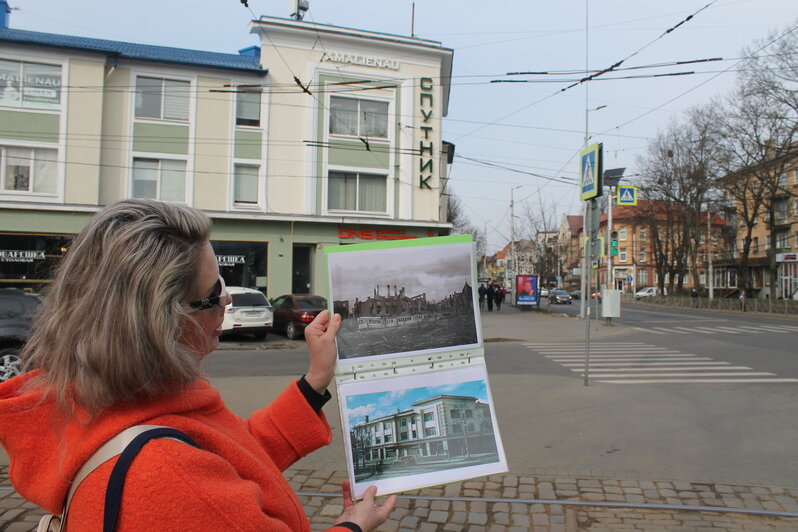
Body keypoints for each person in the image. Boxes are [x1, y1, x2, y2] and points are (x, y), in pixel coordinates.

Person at [0, 199, 395, 531]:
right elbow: (203, 474)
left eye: (223, 283)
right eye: (213, 294)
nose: (227, 302)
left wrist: (316, 379)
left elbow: (234, 453)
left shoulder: (103, 396)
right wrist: (352, 524)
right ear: (159, 323)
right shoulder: (171, 481)